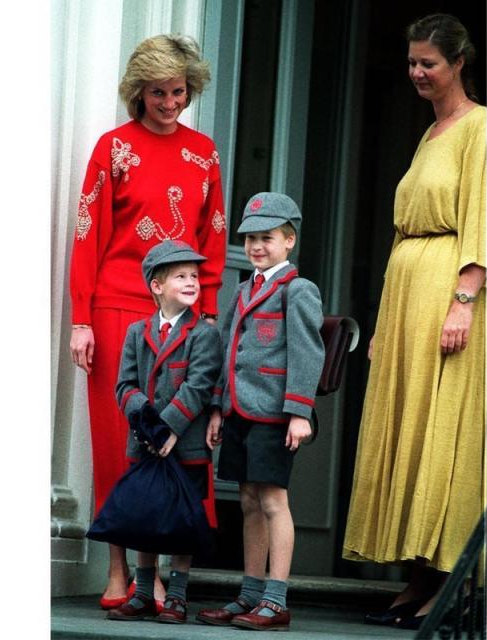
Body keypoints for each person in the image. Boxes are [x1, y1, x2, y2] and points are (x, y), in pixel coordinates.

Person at [67, 33, 226, 609]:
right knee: (120, 441)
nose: (169, 103)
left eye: (178, 92)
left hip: (182, 315)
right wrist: (81, 319)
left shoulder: (204, 153)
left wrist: (203, 314)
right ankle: (122, 574)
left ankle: (160, 572)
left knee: (176, 439)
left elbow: (213, 238)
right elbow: (88, 239)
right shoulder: (113, 148)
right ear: (138, 92)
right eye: (157, 93)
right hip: (116, 307)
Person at [342, 13, 487, 630]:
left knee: (441, 430)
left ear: (459, 63)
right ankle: (414, 578)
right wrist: (382, 321)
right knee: (407, 428)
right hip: (408, 293)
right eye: (411, 63)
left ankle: (445, 582)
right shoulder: (431, 133)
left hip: (448, 288)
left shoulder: (483, 127)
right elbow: (405, 228)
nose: (417, 73)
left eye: (428, 62)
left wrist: (465, 297)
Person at [195, 193, 325, 632]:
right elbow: (227, 349)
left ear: (289, 241)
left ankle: (276, 598)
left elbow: (308, 353)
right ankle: (249, 594)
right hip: (239, 411)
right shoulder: (246, 288)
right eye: (250, 238)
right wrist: (217, 406)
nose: (256, 246)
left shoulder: (297, 290)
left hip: (275, 413)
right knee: (248, 501)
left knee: (272, 500)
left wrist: (300, 411)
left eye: (267, 238)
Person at [105, 240, 223, 624]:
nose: (192, 282)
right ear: (157, 286)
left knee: (183, 520)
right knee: (146, 516)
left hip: (185, 443)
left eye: (195, 276)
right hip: (145, 442)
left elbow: (199, 384)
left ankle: (176, 595)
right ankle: (142, 592)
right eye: (181, 276)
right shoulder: (137, 332)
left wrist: (168, 428)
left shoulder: (203, 334)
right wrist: (149, 428)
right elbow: (125, 385)